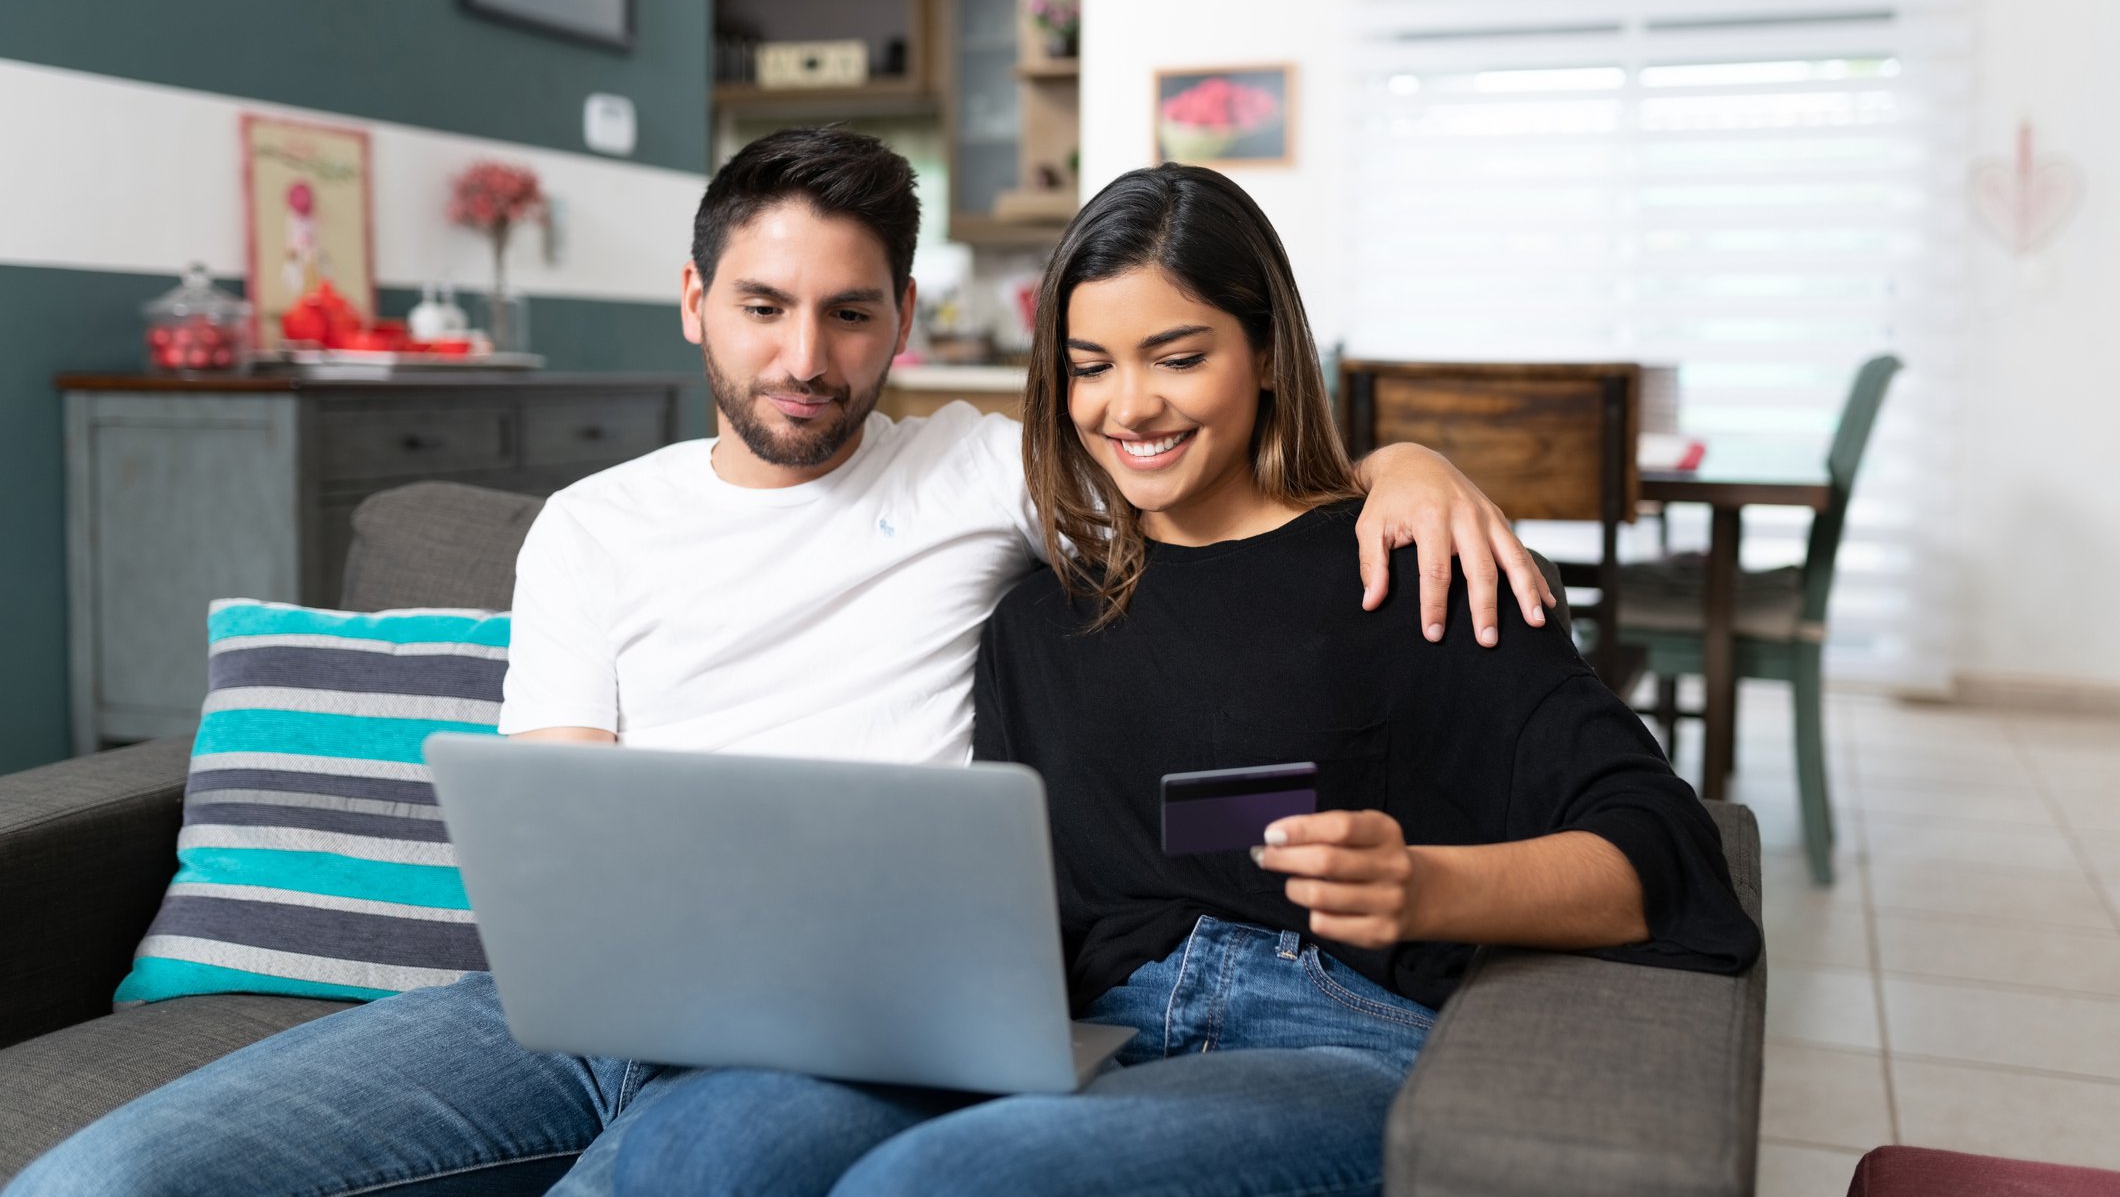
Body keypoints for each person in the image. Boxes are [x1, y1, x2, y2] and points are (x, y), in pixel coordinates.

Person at [5, 131, 1553, 1197]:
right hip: (565, 1006)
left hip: (849, 1024)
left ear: (899, 331)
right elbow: (559, 816)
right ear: (698, 305)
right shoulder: (590, 531)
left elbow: (1196, 457)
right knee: (110, 1172)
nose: (802, 355)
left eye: (846, 314)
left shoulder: (989, 471)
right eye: (762, 306)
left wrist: (1405, 458)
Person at [604, 164, 1760, 1197]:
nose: (1129, 406)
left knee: (938, 1181)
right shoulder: (1033, 618)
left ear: (1264, 352)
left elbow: (1661, 851)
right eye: (1090, 366)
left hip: (1323, 1040)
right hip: (1079, 1039)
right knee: (699, 1149)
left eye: (1178, 355)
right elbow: (1025, 912)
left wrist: (1425, 884)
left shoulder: (1405, 565)